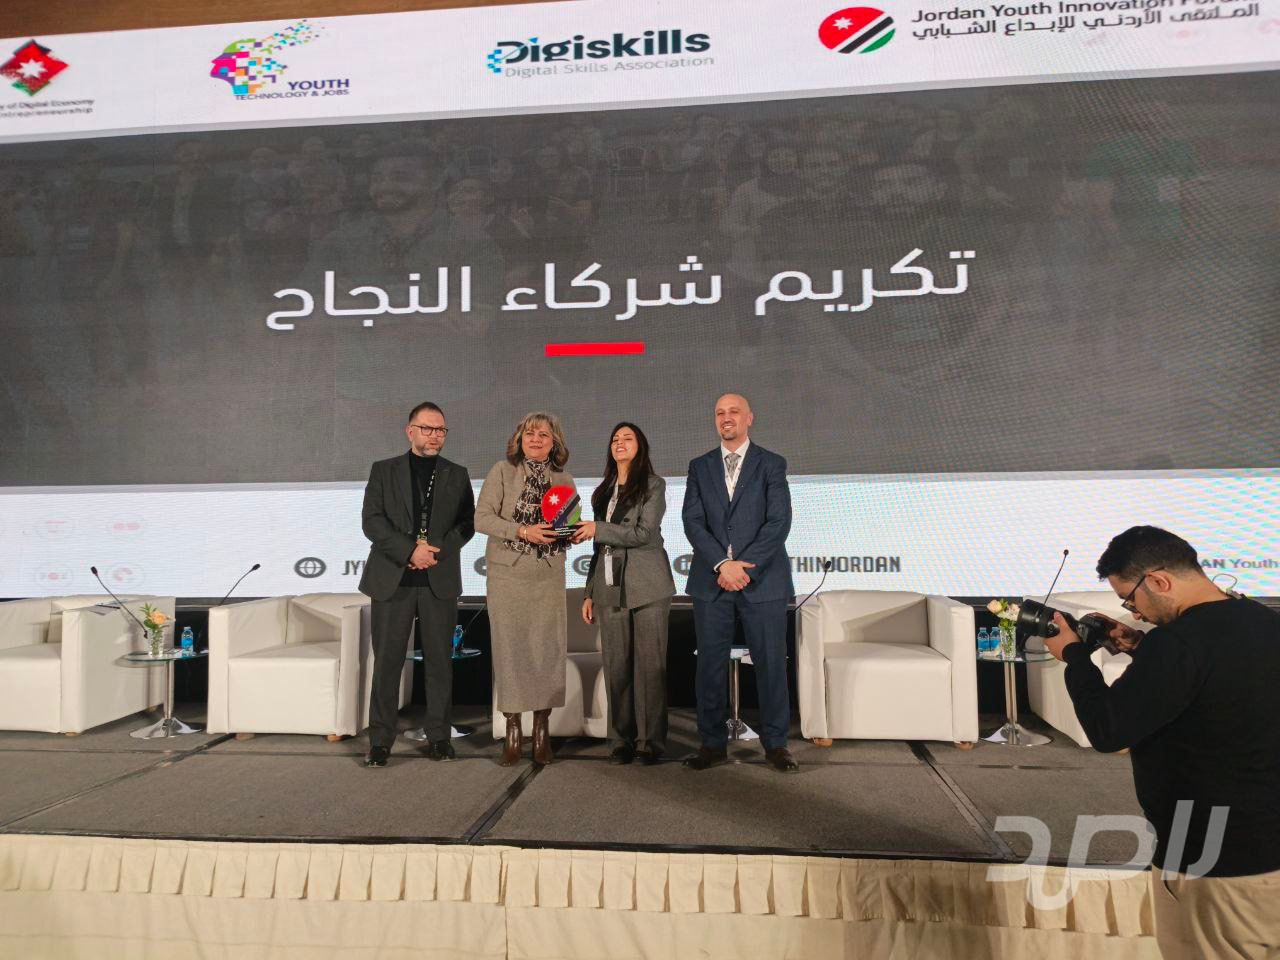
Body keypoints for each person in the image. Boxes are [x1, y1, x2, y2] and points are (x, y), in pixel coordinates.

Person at [1042, 526, 1279, 960]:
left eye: (1130, 600)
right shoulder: (1264, 621)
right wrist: (1143, 649)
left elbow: (1108, 730)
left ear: (1158, 581)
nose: (1134, 611)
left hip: (1214, 864)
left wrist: (1075, 656)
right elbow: (1218, 682)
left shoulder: (1176, 645)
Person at [681, 394, 798, 774]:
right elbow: (692, 521)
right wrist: (722, 564)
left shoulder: (772, 463)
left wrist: (743, 567)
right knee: (709, 667)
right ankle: (712, 744)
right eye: (720, 413)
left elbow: (778, 521)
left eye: (733, 412)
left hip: (762, 580)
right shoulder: (699, 466)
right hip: (711, 580)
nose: (726, 418)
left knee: (770, 664)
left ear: (749, 418)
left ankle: (776, 744)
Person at [359, 402, 475, 767]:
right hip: (393, 577)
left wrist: (433, 553)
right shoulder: (383, 470)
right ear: (410, 431)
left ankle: (439, 737)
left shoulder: (457, 474)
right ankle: (380, 741)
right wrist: (411, 551)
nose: (435, 435)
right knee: (388, 663)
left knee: (440, 663)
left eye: (440, 430)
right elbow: (372, 521)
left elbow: (467, 524)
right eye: (427, 428)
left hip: (438, 578)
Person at [474, 412, 576, 766]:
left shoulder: (564, 478)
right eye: (529, 434)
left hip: (547, 575)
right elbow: (481, 518)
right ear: (519, 439)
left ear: (554, 441)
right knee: (511, 651)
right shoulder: (502, 471)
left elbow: (567, 527)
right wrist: (522, 531)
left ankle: (542, 728)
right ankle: (513, 728)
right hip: (508, 575)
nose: (536, 439)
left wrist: (571, 532)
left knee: (546, 651)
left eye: (543, 434)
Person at [574, 423, 676, 765]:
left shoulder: (653, 485)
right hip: (609, 585)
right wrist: (589, 591)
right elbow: (599, 546)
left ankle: (650, 742)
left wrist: (597, 528)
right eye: (615, 439)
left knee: (649, 669)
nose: (619, 443)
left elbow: (643, 534)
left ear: (640, 446)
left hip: (648, 585)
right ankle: (620, 740)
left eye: (627, 438)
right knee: (616, 667)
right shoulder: (602, 491)